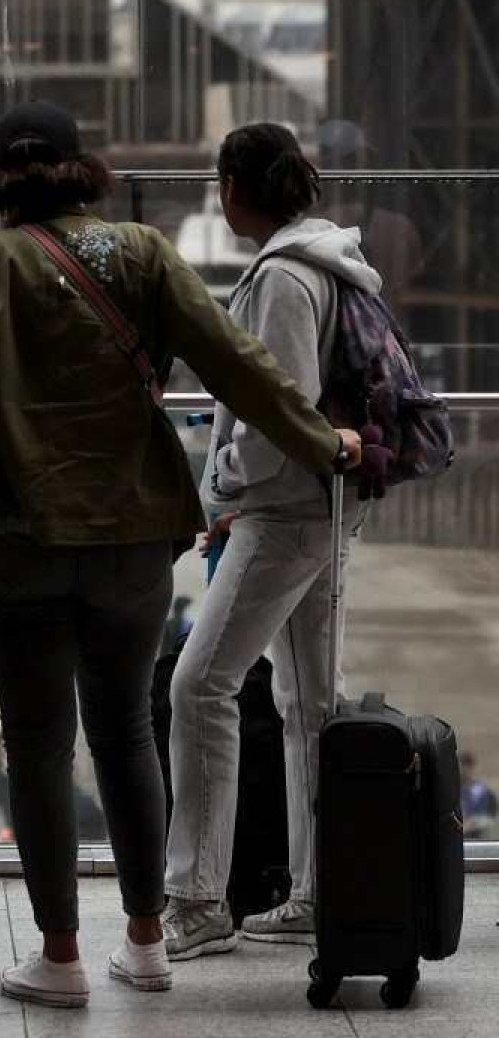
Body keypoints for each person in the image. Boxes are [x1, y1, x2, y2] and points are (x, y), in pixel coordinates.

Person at [0, 102, 364, 1008]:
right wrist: (320, 440)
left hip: (17, 538)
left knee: (40, 747)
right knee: (128, 729)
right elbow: (236, 361)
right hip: (134, 534)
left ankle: (58, 958)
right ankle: (144, 943)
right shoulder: (140, 252)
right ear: (79, 168)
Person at [161, 123, 389, 957]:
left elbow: (279, 414)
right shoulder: (330, 262)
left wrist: (223, 478)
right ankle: (320, 891)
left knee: (199, 686)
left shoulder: (283, 280)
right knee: (307, 703)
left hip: (286, 514)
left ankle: (194, 898)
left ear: (237, 187)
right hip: (323, 509)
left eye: (222, 181)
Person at [462, 752, 498, 841]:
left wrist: (474, 823)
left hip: (480, 838)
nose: (466, 773)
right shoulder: (455, 791)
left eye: (469, 768)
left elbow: (492, 816)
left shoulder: (485, 792)